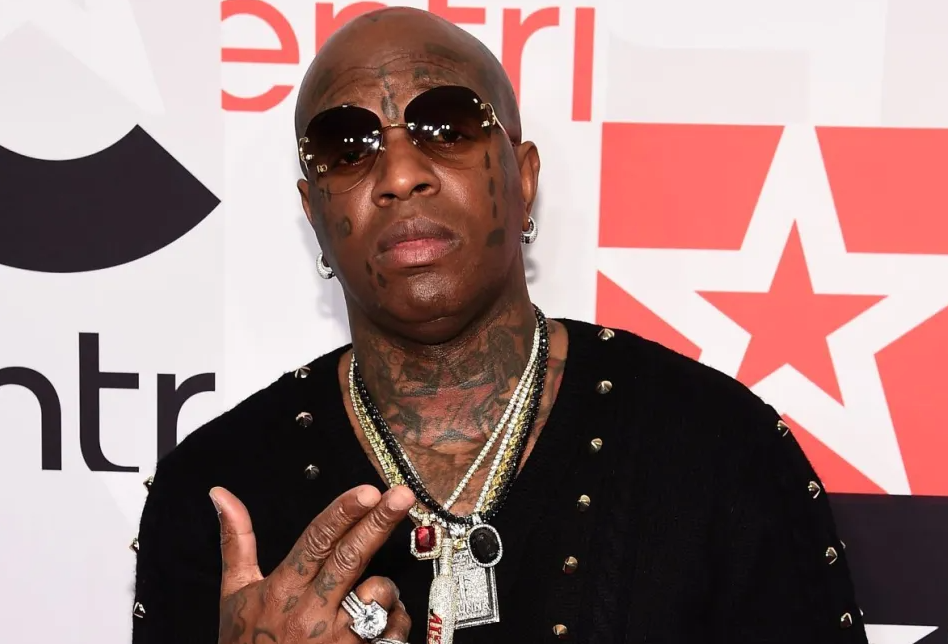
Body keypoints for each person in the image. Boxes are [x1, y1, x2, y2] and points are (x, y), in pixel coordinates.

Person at [131, 7, 869, 644]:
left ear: (525, 179)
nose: (399, 176)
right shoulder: (216, 489)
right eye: (346, 148)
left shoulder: (718, 446)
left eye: (447, 127)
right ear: (313, 212)